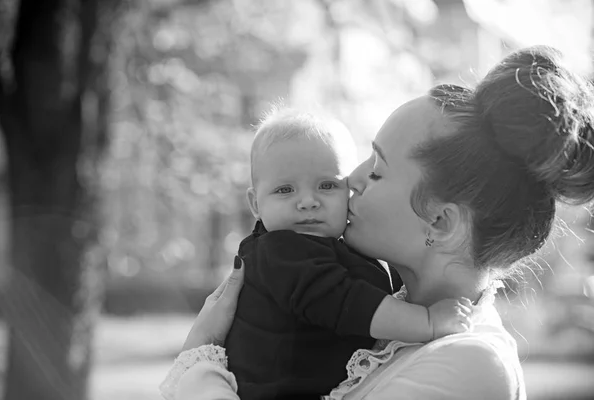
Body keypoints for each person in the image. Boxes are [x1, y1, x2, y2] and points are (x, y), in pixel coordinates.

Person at [160, 45, 594, 400]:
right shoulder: (386, 310)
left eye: (378, 169)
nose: (350, 179)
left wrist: (198, 360)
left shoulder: (471, 366)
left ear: (441, 222)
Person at [223, 109, 472, 399]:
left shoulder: (340, 249)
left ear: (347, 191)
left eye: (327, 185)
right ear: (255, 204)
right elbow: (346, 302)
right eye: (285, 190)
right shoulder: (279, 252)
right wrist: (427, 322)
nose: (307, 202)